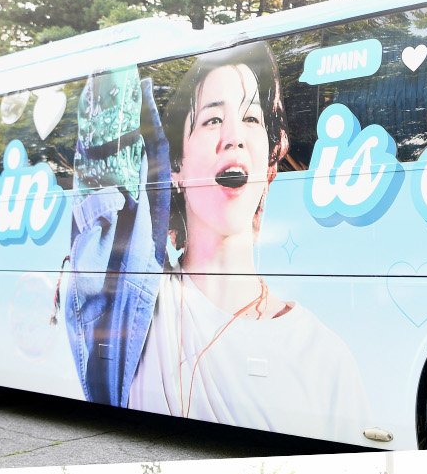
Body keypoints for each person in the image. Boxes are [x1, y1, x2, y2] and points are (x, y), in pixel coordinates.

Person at [64, 42, 371, 442]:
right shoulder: (130, 298)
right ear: (176, 166)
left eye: (251, 118)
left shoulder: (327, 361)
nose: (233, 138)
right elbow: (108, 100)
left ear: (270, 158)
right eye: (211, 120)